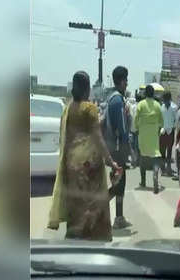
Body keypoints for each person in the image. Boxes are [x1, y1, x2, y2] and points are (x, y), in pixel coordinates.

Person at [48, 71, 122, 241]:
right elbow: (98, 138)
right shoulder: (90, 108)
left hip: (71, 166)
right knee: (93, 204)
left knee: (76, 203)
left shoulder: (68, 108)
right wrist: (111, 161)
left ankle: (74, 237)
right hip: (89, 168)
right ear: (87, 88)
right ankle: (93, 240)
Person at [103, 65, 131, 229]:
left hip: (113, 148)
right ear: (121, 81)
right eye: (126, 80)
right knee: (118, 185)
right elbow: (122, 127)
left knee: (118, 184)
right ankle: (96, 209)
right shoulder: (118, 100)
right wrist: (130, 149)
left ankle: (119, 217)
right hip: (118, 149)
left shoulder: (111, 98)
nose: (127, 83)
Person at [134, 85, 164, 194]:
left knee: (143, 157)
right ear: (153, 94)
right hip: (153, 134)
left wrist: (137, 129)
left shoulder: (140, 104)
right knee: (155, 155)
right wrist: (158, 130)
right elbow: (161, 121)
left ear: (145, 94)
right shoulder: (157, 105)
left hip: (143, 134)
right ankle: (155, 172)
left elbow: (136, 119)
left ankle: (143, 181)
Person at [160, 91, 177, 176]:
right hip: (163, 131)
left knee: (169, 151)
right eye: (164, 99)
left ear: (169, 99)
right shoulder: (161, 107)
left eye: (167, 99)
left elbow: (176, 119)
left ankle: (169, 169)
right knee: (162, 151)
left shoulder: (174, 107)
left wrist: (173, 127)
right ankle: (163, 169)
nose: (165, 101)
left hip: (170, 131)